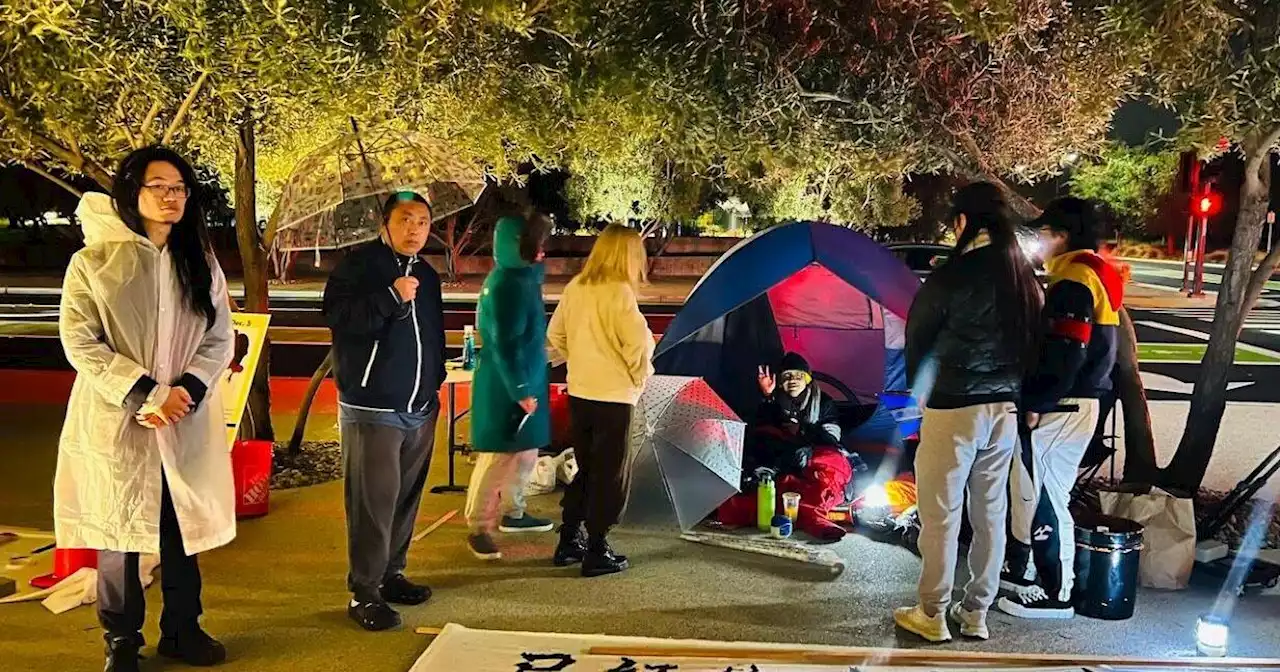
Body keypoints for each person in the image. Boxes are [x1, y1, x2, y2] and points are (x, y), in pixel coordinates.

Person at [56, 146, 235, 671]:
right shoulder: (93, 264)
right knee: (120, 535)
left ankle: (183, 628)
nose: (170, 197)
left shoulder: (198, 263)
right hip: (119, 420)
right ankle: (121, 641)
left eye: (178, 188)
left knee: (181, 527)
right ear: (131, 192)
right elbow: (80, 341)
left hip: (182, 417)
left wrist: (186, 391)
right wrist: (146, 393)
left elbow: (219, 335)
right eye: (158, 186)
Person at [893, 182, 1042, 643]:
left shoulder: (952, 275)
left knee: (940, 513)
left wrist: (918, 390)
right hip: (1005, 409)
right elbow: (1037, 342)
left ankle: (931, 611)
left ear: (964, 222)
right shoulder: (1024, 277)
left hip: (954, 406)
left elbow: (919, 337)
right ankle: (975, 611)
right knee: (990, 512)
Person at [323, 191, 446, 632]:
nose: (414, 229)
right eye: (405, 220)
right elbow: (338, 316)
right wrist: (390, 297)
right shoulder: (359, 267)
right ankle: (364, 591)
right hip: (372, 405)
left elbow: (432, 331)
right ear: (385, 223)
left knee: (404, 498)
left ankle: (392, 574)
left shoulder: (427, 275)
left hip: (420, 406)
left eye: (422, 222)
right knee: (372, 502)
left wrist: (436, 379)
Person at [998, 197, 1123, 619]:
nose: (1040, 242)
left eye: (1044, 233)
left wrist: (1038, 402)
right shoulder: (1091, 276)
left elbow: (1066, 349)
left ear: (1063, 236)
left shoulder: (1074, 279)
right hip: (1074, 403)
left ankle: (1056, 592)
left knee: (1048, 497)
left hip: (1065, 406)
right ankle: (1032, 573)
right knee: (1038, 491)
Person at [547, 224, 655, 577]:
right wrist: (638, 378)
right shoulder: (620, 293)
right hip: (614, 396)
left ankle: (569, 538)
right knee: (611, 474)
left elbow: (555, 334)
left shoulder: (577, 286)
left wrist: (579, 359)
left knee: (587, 467)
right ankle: (597, 546)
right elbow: (638, 345)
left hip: (580, 391)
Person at [465, 212, 556, 560]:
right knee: (498, 455)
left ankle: (513, 511)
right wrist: (520, 389)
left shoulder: (518, 280)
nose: (542, 252)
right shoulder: (509, 284)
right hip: (510, 384)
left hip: (521, 379)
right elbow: (505, 343)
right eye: (536, 245)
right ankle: (478, 526)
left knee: (523, 451)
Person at [717, 352, 853, 540]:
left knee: (833, 465)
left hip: (813, 458)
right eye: (787, 376)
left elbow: (832, 437)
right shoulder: (772, 403)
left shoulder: (824, 403)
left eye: (799, 376)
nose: (793, 380)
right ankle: (811, 518)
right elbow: (761, 432)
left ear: (808, 380)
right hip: (783, 462)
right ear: (780, 381)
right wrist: (766, 396)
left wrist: (803, 431)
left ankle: (814, 517)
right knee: (769, 487)